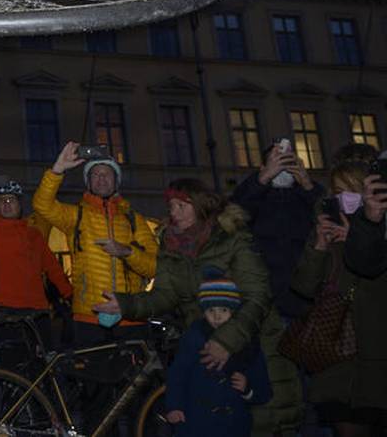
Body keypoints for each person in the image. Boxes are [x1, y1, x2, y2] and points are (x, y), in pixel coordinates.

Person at [93, 179, 298, 437]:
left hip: (251, 343)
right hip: (203, 345)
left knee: (263, 423)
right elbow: (165, 295)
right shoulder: (171, 246)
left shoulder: (232, 238)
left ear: (200, 206)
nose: (173, 212)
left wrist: (226, 341)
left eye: (181, 205)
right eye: (171, 206)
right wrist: (126, 304)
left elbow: (257, 295)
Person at [227, 140, 321, 435]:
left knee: (313, 389)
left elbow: (327, 219)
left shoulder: (304, 197)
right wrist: (263, 179)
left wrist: (307, 184)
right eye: (275, 158)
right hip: (267, 312)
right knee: (276, 388)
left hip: (307, 308)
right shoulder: (256, 194)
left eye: (288, 158)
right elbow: (231, 217)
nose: (283, 163)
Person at [289, 163, 387, 436]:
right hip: (336, 356)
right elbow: (303, 287)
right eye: (337, 191)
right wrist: (319, 246)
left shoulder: (381, 226)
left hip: (376, 355)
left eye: (350, 190)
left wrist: (361, 241)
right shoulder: (326, 226)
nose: (344, 197)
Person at [32, 142, 157, 344]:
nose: (101, 178)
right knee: (92, 375)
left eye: (106, 174)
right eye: (95, 174)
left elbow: (155, 267)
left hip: (130, 318)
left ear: (116, 181)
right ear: (88, 182)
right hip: (89, 317)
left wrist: (128, 252)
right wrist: (57, 170)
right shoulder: (76, 215)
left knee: (132, 375)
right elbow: (41, 205)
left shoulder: (134, 219)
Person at [0, 173, 71, 352]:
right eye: (2, 200)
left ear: (20, 205)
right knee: (12, 368)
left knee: (44, 367)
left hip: (38, 310)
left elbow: (52, 267)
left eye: (11, 200)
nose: (6, 204)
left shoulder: (33, 234)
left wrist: (69, 295)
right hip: (7, 311)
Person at [163, 272, 272, 436]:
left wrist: (248, 389)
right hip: (195, 422)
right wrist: (174, 406)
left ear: (234, 312)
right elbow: (178, 374)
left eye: (224, 309)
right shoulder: (194, 336)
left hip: (234, 425)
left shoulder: (248, 343)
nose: (217, 316)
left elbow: (263, 389)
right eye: (210, 310)